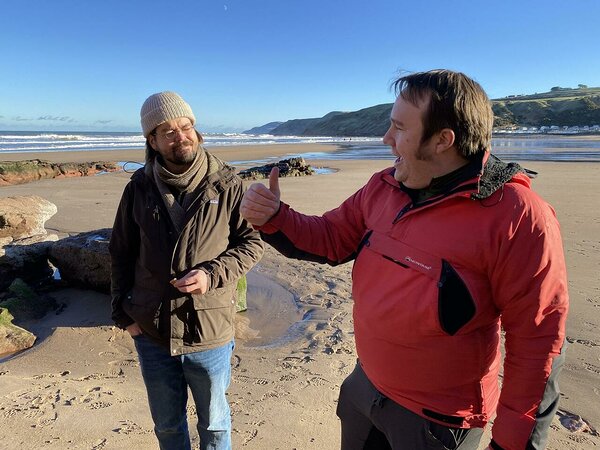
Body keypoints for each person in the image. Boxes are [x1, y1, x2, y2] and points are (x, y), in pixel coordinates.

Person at [240, 70, 568, 450]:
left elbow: (538, 341)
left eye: (398, 128)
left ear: (443, 140)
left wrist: (512, 445)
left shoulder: (518, 216)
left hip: (437, 421)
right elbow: (331, 238)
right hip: (365, 388)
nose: (386, 139)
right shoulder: (385, 186)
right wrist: (275, 216)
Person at [110, 91, 264, 450]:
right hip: (152, 330)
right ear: (152, 140)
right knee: (167, 426)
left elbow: (252, 244)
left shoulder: (227, 184)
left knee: (214, 425)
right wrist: (123, 314)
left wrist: (212, 274)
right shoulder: (138, 188)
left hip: (209, 329)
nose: (181, 136)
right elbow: (120, 252)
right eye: (168, 131)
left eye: (186, 126)